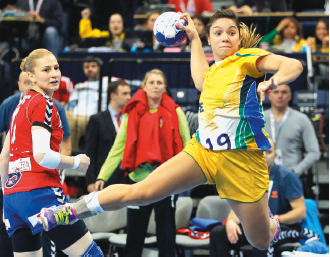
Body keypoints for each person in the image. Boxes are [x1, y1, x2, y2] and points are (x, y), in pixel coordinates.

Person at [40, 9, 303, 252]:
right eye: (218, 32)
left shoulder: (246, 59)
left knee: (260, 240)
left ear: (239, 39)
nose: (225, 37)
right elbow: (200, 80)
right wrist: (193, 39)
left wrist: (275, 81)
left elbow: (294, 65)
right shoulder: (213, 74)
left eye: (231, 32)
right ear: (210, 38)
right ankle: (68, 211)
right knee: (140, 193)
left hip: (242, 162)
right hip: (204, 153)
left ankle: (272, 224)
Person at [0, 48, 103, 256]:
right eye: (46, 70)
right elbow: (41, 155)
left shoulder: (20, 106)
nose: (54, 73)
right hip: (40, 194)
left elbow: (4, 157)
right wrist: (76, 162)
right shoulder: (44, 102)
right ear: (31, 76)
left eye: (56, 68)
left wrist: (6, 197)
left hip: (13, 198)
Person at [94, 69, 191, 256]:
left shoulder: (176, 111)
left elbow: (188, 147)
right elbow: (118, 147)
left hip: (167, 180)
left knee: (166, 235)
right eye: (152, 82)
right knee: (134, 235)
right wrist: (102, 176)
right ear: (144, 86)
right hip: (137, 181)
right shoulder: (131, 113)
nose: (155, 86)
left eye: (159, 83)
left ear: (165, 87)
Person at [0, 71, 72, 257]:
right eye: (25, 83)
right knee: (84, 249)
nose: (28, 87)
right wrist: (76, 163)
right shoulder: (13, 106)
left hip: (17, 190)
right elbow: (40, 155)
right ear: (19, 84)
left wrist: (6, 191)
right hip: (37, 187)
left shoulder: (52, 106)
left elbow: (65, 146)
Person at [209, 139, 306, 257]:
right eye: (260, 151)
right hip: (257, 226)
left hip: (284, 227)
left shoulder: (287, 176)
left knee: (262, 235)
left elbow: (300, 212)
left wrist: (277, 219)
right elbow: (238, 206)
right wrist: (231, 221)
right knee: (218, 233)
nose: (264, 155)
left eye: (268, 152)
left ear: (275, 156)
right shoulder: (248, 176)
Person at [263, 84, 320, 177]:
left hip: (290, 176)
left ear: (290, 96)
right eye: (276, 92)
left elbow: (314, 152)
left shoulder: (301, 119)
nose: (280, 96)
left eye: (284, 92)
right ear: (269, 95)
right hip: (263, 176)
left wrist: (295, 171)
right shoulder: (259, 119)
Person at [85, 80, 131, 193]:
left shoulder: (132, 118)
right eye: (124, 94)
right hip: (105, 177)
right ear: (113, 96)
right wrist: (90, 180)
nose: (129, 97)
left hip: (128, 176)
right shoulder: (97, 120)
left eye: (129, 93)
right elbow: (90, 152)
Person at [66, 56, 108, 153]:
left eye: (93, 66)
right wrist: (68, 111)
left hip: (94, 115)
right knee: (66, 119)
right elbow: (72, 103)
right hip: (76, 115)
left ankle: (69, 153)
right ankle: (71, 152)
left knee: (73, 122)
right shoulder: (80, 86)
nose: (89, 69)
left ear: (99, 68)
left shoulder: (108, 80)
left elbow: (132, 84)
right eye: (86, 67)